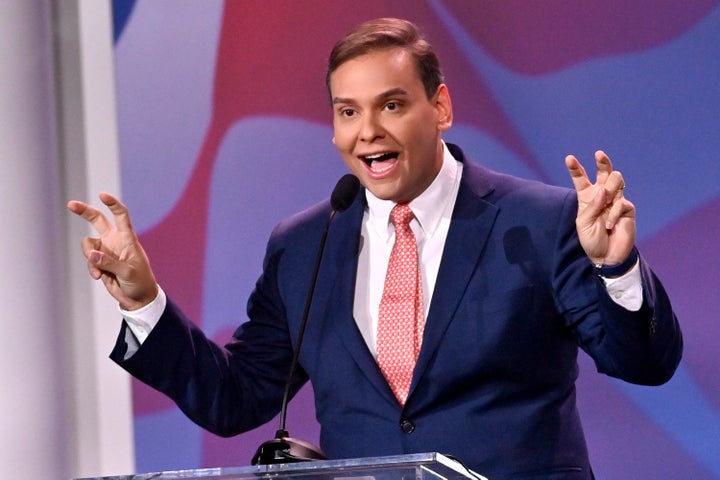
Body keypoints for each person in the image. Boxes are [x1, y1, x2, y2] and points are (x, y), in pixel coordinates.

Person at [68, 18, 682, 480]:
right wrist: (145, 302)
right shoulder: (305, 245)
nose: (368, 132)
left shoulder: (541, 220)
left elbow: (644, 364)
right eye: (347, 112)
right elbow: (236, 397)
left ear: (439, 107)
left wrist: (617, 267)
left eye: (391, 105)